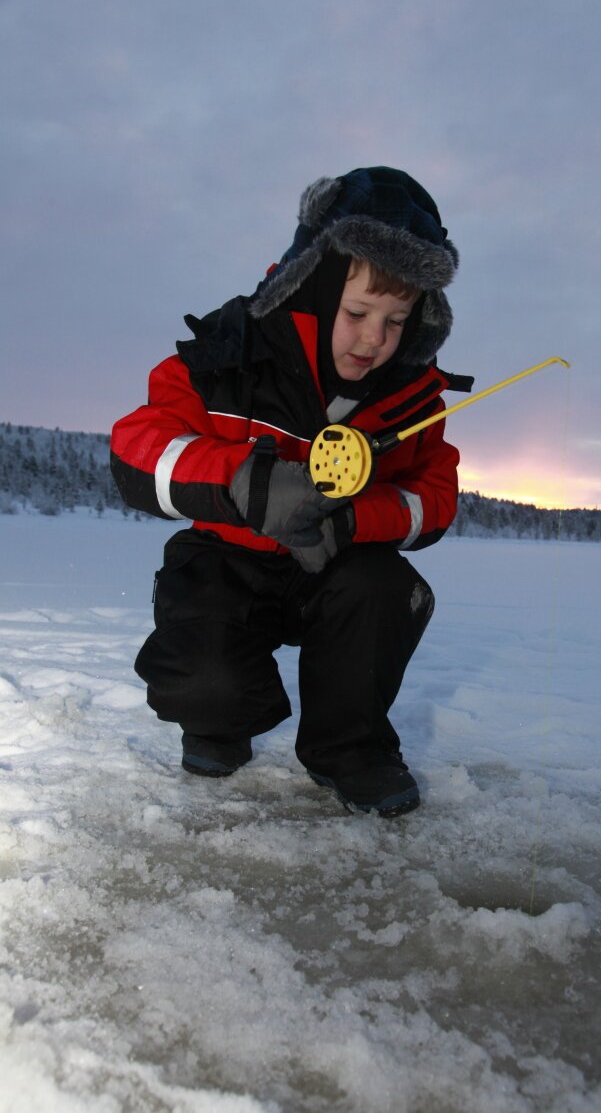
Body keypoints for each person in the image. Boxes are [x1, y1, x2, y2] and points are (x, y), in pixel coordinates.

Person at [111, 166, 467, 818]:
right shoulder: (233, 352)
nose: (374, 339)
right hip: (229, 560)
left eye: (396, 319)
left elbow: (436, 495)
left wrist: (359, 519)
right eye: (358, 312)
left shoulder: (413, 395)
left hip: (330, 572)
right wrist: (245, 485)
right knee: (207, 674)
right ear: (315, 285)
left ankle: (349, 747)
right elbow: (138, 448)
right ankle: (219, 720)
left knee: (385, 587)